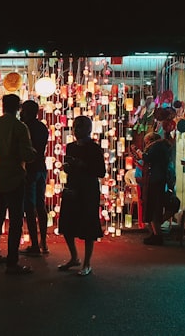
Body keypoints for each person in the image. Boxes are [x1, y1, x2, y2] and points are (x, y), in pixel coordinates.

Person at [0, 94, 36, 275]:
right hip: (14, 178)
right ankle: (12, 262)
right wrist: (33, 154)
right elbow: (26, 153)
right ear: (18, 108)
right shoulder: (20, 127)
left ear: (3, 107)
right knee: (16, 220)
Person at [58, 116, 106, 276]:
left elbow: (101, 172)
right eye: (75, 126)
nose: (77, 129)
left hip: (88, 189)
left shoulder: (94, 148)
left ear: (88, 129)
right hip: (72, 186)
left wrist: (83, 165)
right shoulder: (71, 147)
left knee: (88, 226)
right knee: (67, 223)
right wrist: (67, 167)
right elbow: (70, 167)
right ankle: (74, 257)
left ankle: (87, 263)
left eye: (80, 126)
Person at [19, 100, 50, 256]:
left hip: (30, 168)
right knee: (40, 204)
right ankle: (43, 242)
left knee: (30, 207)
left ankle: (35, 245)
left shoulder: (24, 128)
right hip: (41, 167)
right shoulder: (43, 127)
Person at [138, 132, 173, 245]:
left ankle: (157, 235)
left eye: (146, 142)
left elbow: (147, 158)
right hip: (158, 180)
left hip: (155, 181)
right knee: (155, 206)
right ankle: (155, 233)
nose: (146, 144)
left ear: (150, 140)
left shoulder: (156, 147)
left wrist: (139, 153)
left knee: (153, 206)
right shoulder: (162, 147)